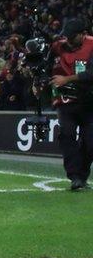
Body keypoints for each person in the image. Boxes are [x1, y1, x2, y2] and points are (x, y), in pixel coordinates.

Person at [50, 18, 93, 190]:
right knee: (66, 135)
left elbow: (91, 74)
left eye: (71, 37)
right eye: (66, 36)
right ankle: (75, 176)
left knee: (91, 142)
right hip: (66, 101)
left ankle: (82, 175)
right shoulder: (58, 46)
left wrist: (66, 79)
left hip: (89, 102)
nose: (67, 40)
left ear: (83, 35)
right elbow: (44, 66)